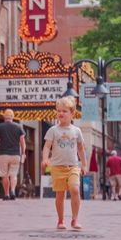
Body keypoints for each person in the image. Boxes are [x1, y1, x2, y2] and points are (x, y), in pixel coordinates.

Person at [41, 96, 87, 230]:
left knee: (75, 189)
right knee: (60, 194)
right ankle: (60, 220)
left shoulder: (76, 131)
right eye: (59, 111)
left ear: (72, 113)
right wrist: (45, 159)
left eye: (64, 111)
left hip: (73, 166)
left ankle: (75, 219)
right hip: (57, 167)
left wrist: (84, 164)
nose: (61, 113)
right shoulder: (53, 130)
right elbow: (46, 147)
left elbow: (80, 149)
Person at [0, 108, 25, 200]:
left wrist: (1, 141)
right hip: (15, 154)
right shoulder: (18, 127)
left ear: (4, 117)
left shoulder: (0, 126)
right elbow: (22, 142)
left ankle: (7, 194)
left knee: (4, 175)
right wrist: (23, 153)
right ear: (12, 117)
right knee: (13, 174)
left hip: (3, 154)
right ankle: (12, 190)